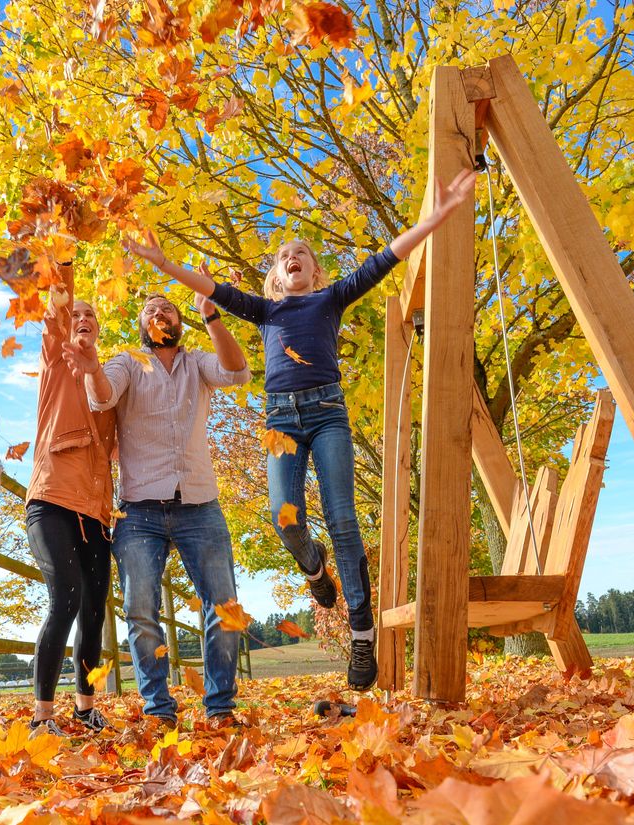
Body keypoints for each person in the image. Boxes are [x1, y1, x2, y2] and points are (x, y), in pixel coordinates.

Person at [122, 170, 478, 691]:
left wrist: (433, 219)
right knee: (283, 516)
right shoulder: (265, 311)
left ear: (313, 270)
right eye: (285, 255)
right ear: (274, 276)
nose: (294, 258)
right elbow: (212, 288)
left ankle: (361, 634)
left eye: (303, 254)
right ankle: (316, 571)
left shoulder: (330, 299)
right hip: (281, 419)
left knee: (342, 518)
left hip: (328, 412)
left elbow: (383, 261)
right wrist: (165, 265)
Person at [63, 292, 251, 728]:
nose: (159, 312)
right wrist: (91, 368)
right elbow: (102, 396)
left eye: (166, 307)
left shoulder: (197, 362)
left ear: (180, 321)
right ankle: (159, 710)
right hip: (140, 510)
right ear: (142, 324)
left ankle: (220, 708)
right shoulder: (128, 362)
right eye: (149, 309)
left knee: (223, 604)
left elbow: (237, 372)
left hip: (199, 503)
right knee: (141, 609)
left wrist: (212, 316)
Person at [24, 261, 118, 737]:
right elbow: (58, 310)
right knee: (66, 593)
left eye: (92, 317)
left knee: (94, 607)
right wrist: (64, 262)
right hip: (52, 499)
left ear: (99, 331)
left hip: (96, 513)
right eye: (77, 314)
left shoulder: (106, 384)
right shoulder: (56, 362)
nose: (82, 319)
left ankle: (85, 708)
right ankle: (42, 717)